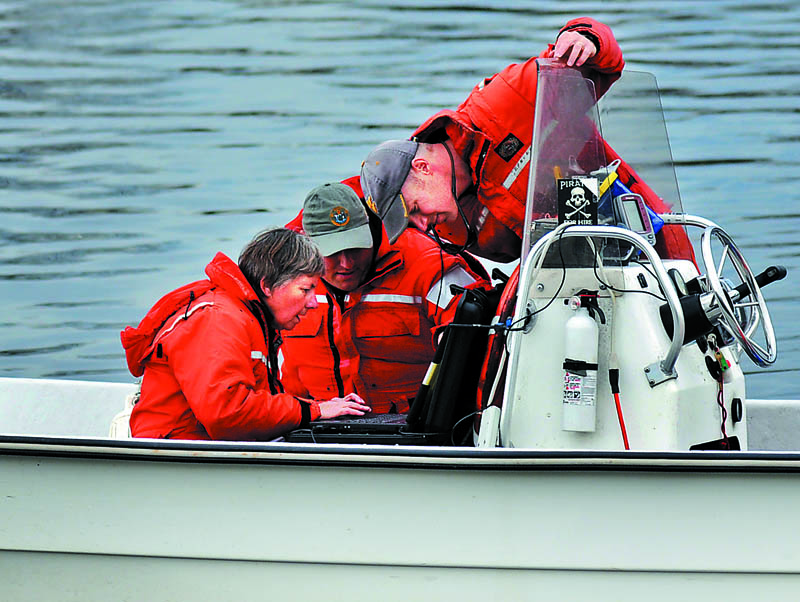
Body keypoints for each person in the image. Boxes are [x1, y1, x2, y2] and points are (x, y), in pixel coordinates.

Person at [359, 17, 693, 263]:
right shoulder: (448, 226)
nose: (420, 225)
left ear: (422, 167)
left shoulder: (504, 102)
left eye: (414, 209)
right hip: (573, 278)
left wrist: (585, 38)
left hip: (647, 238)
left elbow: (604, 65)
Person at [120, 227, 370, 440]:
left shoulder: (247, 316)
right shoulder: (218, 319)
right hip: (175, 462)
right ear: (267, 286)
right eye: (305, 289)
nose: (313, 302)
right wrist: (314, 411)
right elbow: (227, 413)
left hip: (205, 455)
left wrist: (316, 409)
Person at [280, 182, 489, 414]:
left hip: (414, 429)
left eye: (356, 247)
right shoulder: (286, 282)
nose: (346, 263)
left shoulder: (429, 265)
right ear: (308, 246)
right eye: (332, 252)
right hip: (315, 425)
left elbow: (478, 324)